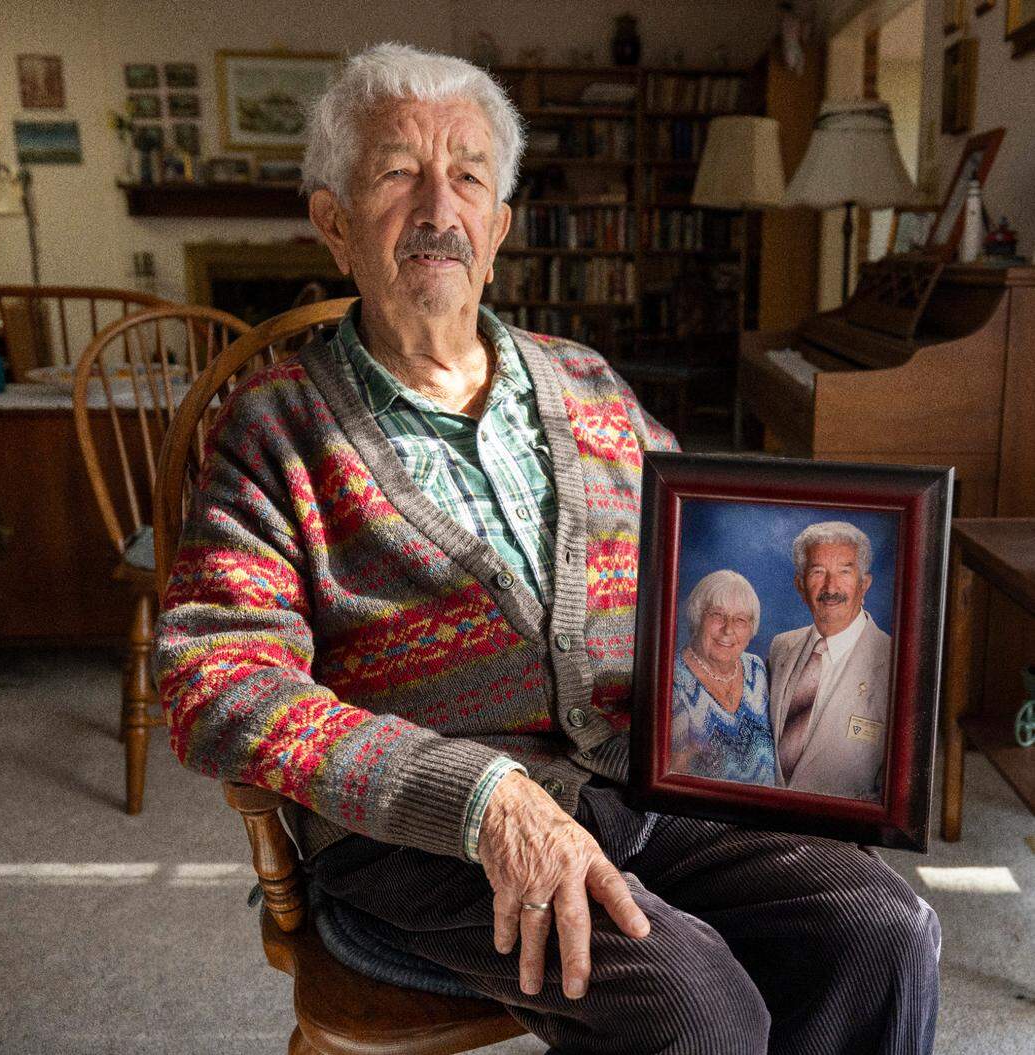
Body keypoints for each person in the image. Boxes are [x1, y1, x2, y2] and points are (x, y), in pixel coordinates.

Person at [154, 44, 938, 1054]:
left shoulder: (590, 387)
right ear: (335, 223)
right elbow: (216, 679)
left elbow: (699, 580)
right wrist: (481, 795)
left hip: (637, 781)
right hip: (424, 830)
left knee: (883, 929)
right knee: (699, 1007)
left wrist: (825, 735)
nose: (440, 206)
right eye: (398, 172)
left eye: (469, 176)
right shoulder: (274, 427)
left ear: (500, 230)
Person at [768, 521, 892, 801]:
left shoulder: (896, 663)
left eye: (844, 572)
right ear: (800, 586)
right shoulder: (780, 647)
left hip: (843, 834)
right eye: (818, 572)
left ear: (864, 584)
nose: (831, 586)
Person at [672, 570, 775, 785]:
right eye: (717, 615)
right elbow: (670, 776)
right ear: (697, 616)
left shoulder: (756, 669)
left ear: (751, 628)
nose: (728, 629)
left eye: (740, 620)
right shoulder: (671, 678)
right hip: (698, 813)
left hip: (766, 811)